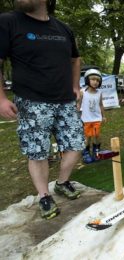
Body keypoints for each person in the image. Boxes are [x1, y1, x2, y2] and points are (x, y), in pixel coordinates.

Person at [0, 0, 83, 220]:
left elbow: (75, 59)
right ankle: (44, 195)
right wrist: (1, 98)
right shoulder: (8, 22)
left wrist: (76, 86)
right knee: (38, 151)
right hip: (31, 100)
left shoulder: (63, 28)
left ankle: (62, 182)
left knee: (76, 145)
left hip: (65, 100)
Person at [79, 69, 106, 164]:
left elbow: (101, 105)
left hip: (96, 119)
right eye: (93, 79)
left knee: (96, 135)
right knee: (88, 137)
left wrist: (103, 116)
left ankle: (96, 151)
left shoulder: (99, 93)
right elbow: (78, 104)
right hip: (86, 119)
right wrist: (76, 114)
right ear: (87, 80)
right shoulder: (82, 92)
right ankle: (86, 153)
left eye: (97, 80)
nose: (95, 82)